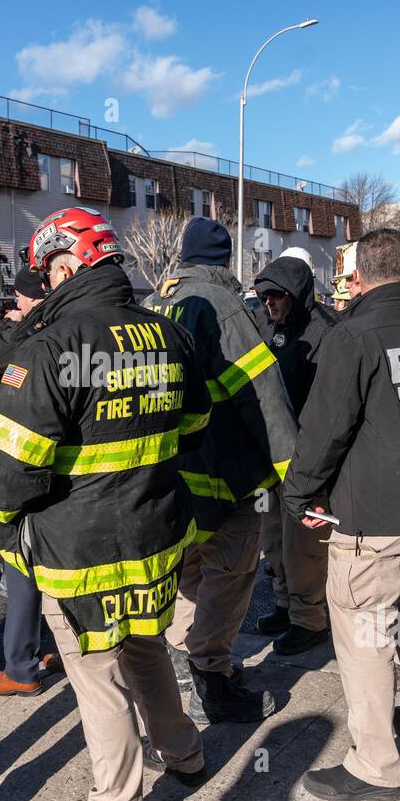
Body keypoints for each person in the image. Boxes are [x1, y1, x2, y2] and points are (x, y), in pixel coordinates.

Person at [0, 206, 211, 801]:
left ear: (66, 265)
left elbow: (8, 473)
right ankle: (184, 754)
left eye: (47, 271)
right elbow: (196, 423)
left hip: (76, 550)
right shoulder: (167, 333)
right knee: (148, 649)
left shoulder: (49, 348)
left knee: (98, 677)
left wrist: (11, 530)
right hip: (155, 537)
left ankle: (118, 796)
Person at [284, 228, 400, 801]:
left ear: (358, 273)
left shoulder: (354, 337)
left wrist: (298, 495)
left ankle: (375, 766)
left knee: (366, 640)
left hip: (372, 523)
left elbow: (323, 431)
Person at [144, 217, 298, 724]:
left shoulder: (154, 305)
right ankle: (211, 679)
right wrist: (293, 474)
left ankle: (182, 671)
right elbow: (262, 397)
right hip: (224, 479)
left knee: (187, 575)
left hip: (168, 480)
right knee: (230, 575)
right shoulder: (224, 306)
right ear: (224, 259)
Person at [0, 267, 64, 696]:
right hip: (66, 470)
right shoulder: (73, 326)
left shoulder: (29, 334)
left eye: (22, 301)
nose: (17, 307)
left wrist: (17, 325)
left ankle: (21, 668)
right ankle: (67, 648)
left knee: (21, 566)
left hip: (21, 470)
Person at [252, 249, 338, 655]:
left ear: (298, 294)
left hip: (305, 458)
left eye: (278, 297)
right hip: (269, 456)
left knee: (303, 546)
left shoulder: (325, 331)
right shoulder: (265, 325)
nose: (270, 304)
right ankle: (286, 605)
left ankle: (310, 619)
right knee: (273, 539)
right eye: (266, 297)